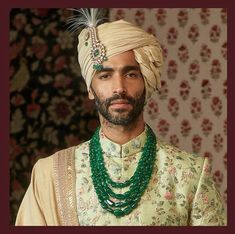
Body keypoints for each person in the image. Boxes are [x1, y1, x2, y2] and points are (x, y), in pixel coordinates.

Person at [15, 9, 226, 226]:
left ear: (147, 82)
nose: (119, 88)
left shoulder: (190, 174)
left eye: (131, 74)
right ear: (90, 88)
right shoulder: (50, 174)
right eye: (105, 75)